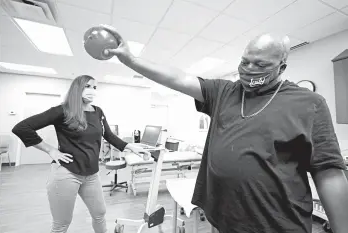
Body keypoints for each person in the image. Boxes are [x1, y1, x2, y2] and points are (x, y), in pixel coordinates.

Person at [98, 25, 348, 233]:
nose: (249, 69)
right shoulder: (225, 92)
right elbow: (178, 78)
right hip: (224, 220)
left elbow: (329, 173)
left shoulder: (309, 104)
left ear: (281, 67)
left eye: (260, 65)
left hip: (277, 224)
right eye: (244, 61)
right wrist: (131, 60)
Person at [12, 75, 151, 233]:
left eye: (95, 87)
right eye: (88, 86)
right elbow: (22, 128)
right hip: (66, 173)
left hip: (92, 174)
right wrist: (50, 150)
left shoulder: (98, 111)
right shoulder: (62, 111)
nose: (92, 91)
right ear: (77, 88)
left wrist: (130, 146)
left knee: (99, 214)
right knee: (62, 224)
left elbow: (108, 135)